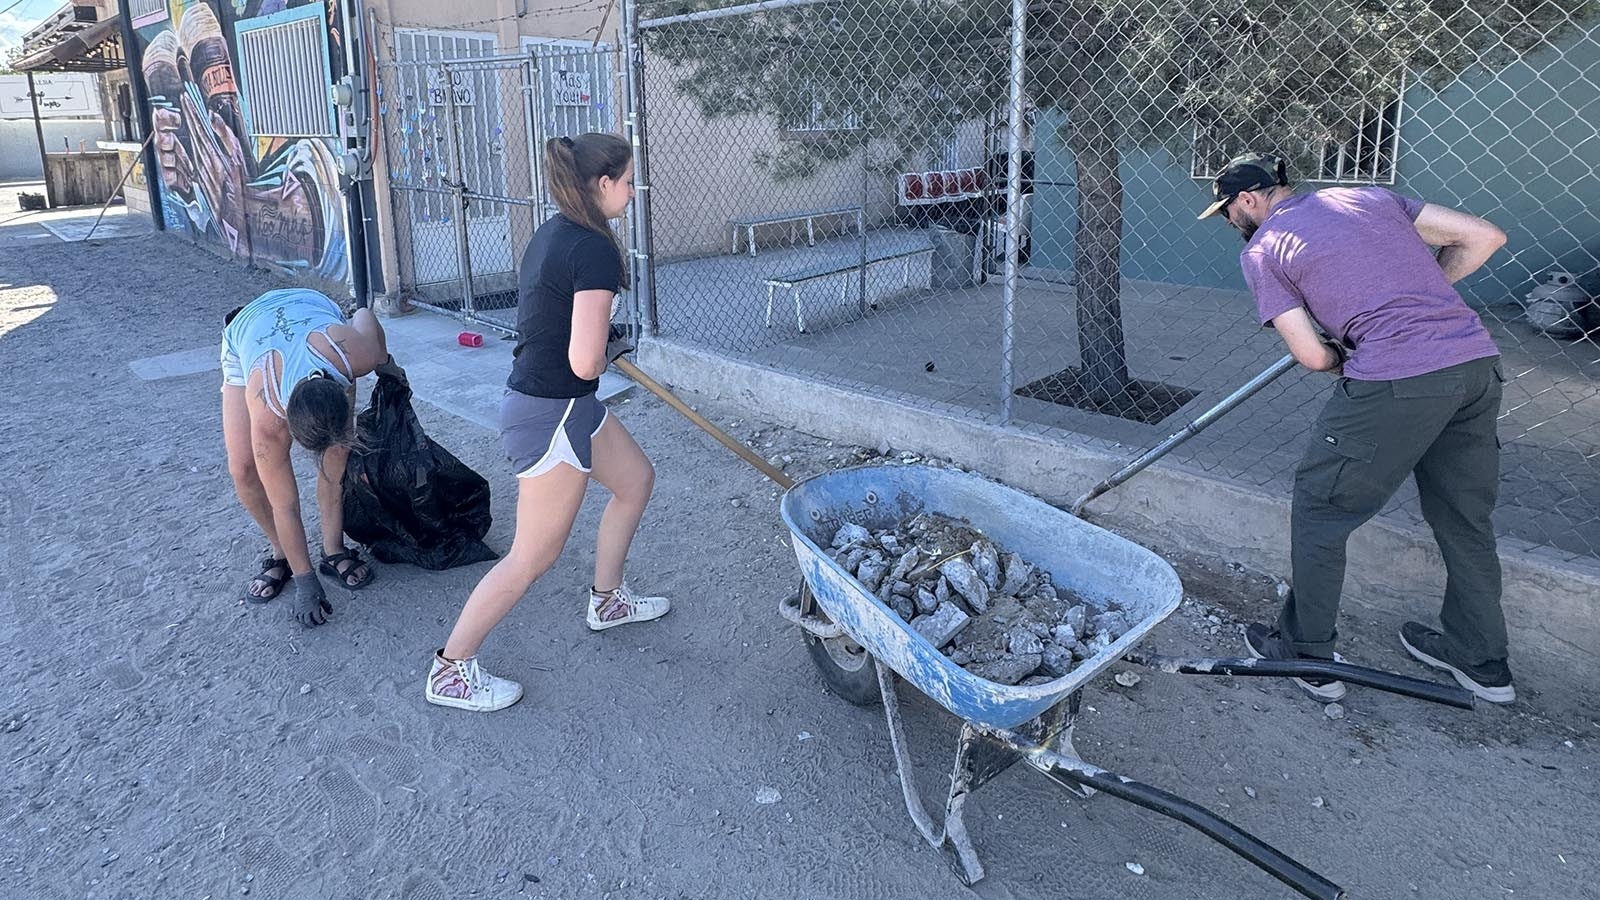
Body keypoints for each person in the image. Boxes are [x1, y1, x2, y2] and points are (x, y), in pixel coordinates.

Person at [1198, 153, 1515, 703]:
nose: (1231, 225)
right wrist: (1414, 298)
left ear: (1247, 200)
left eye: (1227, 213)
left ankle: (1308, 657)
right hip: (1474, 366)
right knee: (1465, 517)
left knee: (1322, 509)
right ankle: (1482, 661)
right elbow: (1485, 236)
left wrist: (1368, 339)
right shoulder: (1365, 196)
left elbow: (1313, 358)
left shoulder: (1264, 249)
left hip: (1396, 379)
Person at [425, 133, 667, 713]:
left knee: (635, 481)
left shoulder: (557, 231)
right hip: (551, 412)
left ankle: (607, 600)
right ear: (602, 184)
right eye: (628, 181)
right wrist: (610, 346)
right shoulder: (593, 250)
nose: (633, 191)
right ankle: (451, 668)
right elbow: (585, 360)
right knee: (533, 555)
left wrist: (601, 343)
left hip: (566, 403)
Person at [222, 288, 392, 627]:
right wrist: (305, 582)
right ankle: (283, 554)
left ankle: (333, 549)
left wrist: (386, 363)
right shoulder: (266, 408)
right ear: (287, 423)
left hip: (309, 306)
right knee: (243, 469)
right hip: (250, 329)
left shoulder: (355, 355)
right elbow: (285, 505)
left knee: (338, 452)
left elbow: (364, 315)